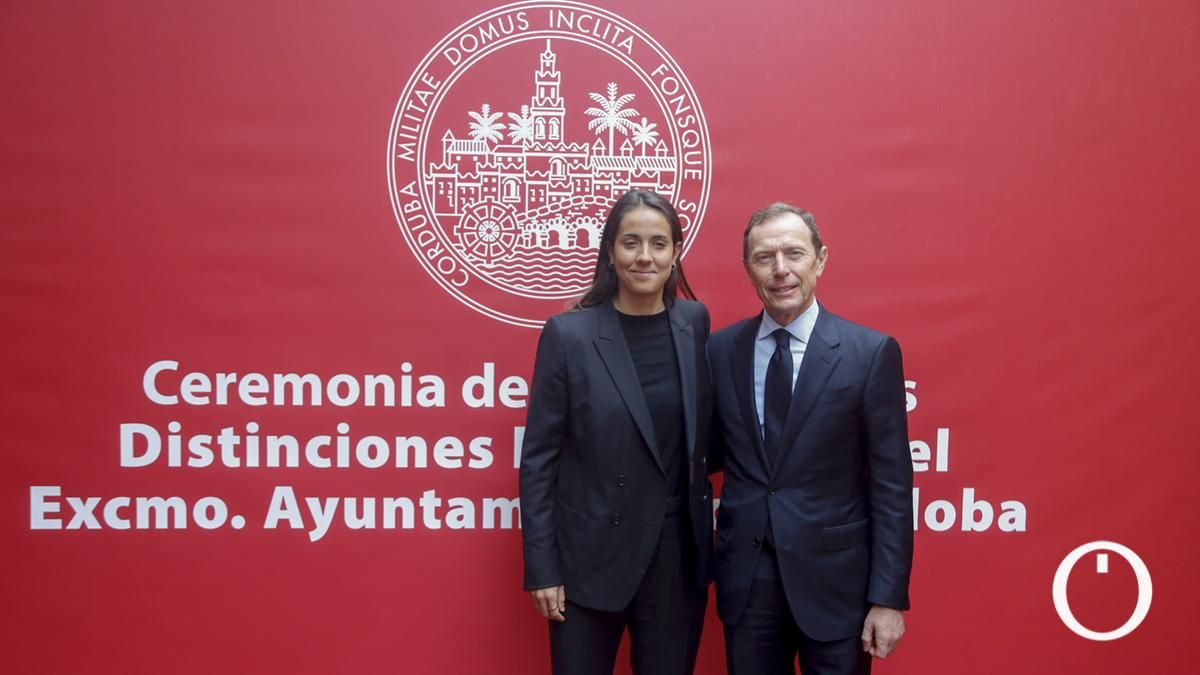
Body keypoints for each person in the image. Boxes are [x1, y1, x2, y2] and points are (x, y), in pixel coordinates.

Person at [708, 203, 913, 675]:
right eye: (765, 257)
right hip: (747, 586)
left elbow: (892, 486)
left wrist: (887, 598)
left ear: (820, 260)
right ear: (748, 269)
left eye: (794, 253)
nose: (781, 270)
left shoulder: (869, 353)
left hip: (838, 591)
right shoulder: (720, 350)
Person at [519, 190, 715, 675]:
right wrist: (544, 569)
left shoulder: (695, 322)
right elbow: (539, 461)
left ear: (675, 253)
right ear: (610, 251)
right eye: (631, 243)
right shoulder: (568, 335)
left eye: (658, 243)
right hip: (588, 561)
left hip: (675, 559)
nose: (644, 256)